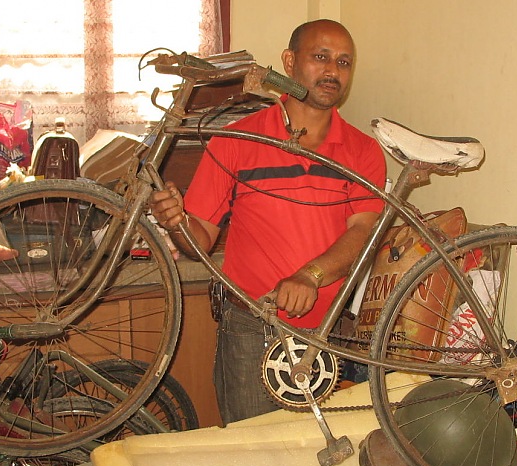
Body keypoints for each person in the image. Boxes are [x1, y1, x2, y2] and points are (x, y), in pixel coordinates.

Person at [149, 19, 386, 424]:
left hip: (327, 334)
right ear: (289, 61)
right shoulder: (238, 139)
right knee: (250, 455)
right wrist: (176, 223)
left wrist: (311, 275)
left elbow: (364, 232)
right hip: (249, 330)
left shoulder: (363, 152)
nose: (333, 71)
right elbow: (200, 239)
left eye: (344, 62)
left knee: (316, 461)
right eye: (320, 57)